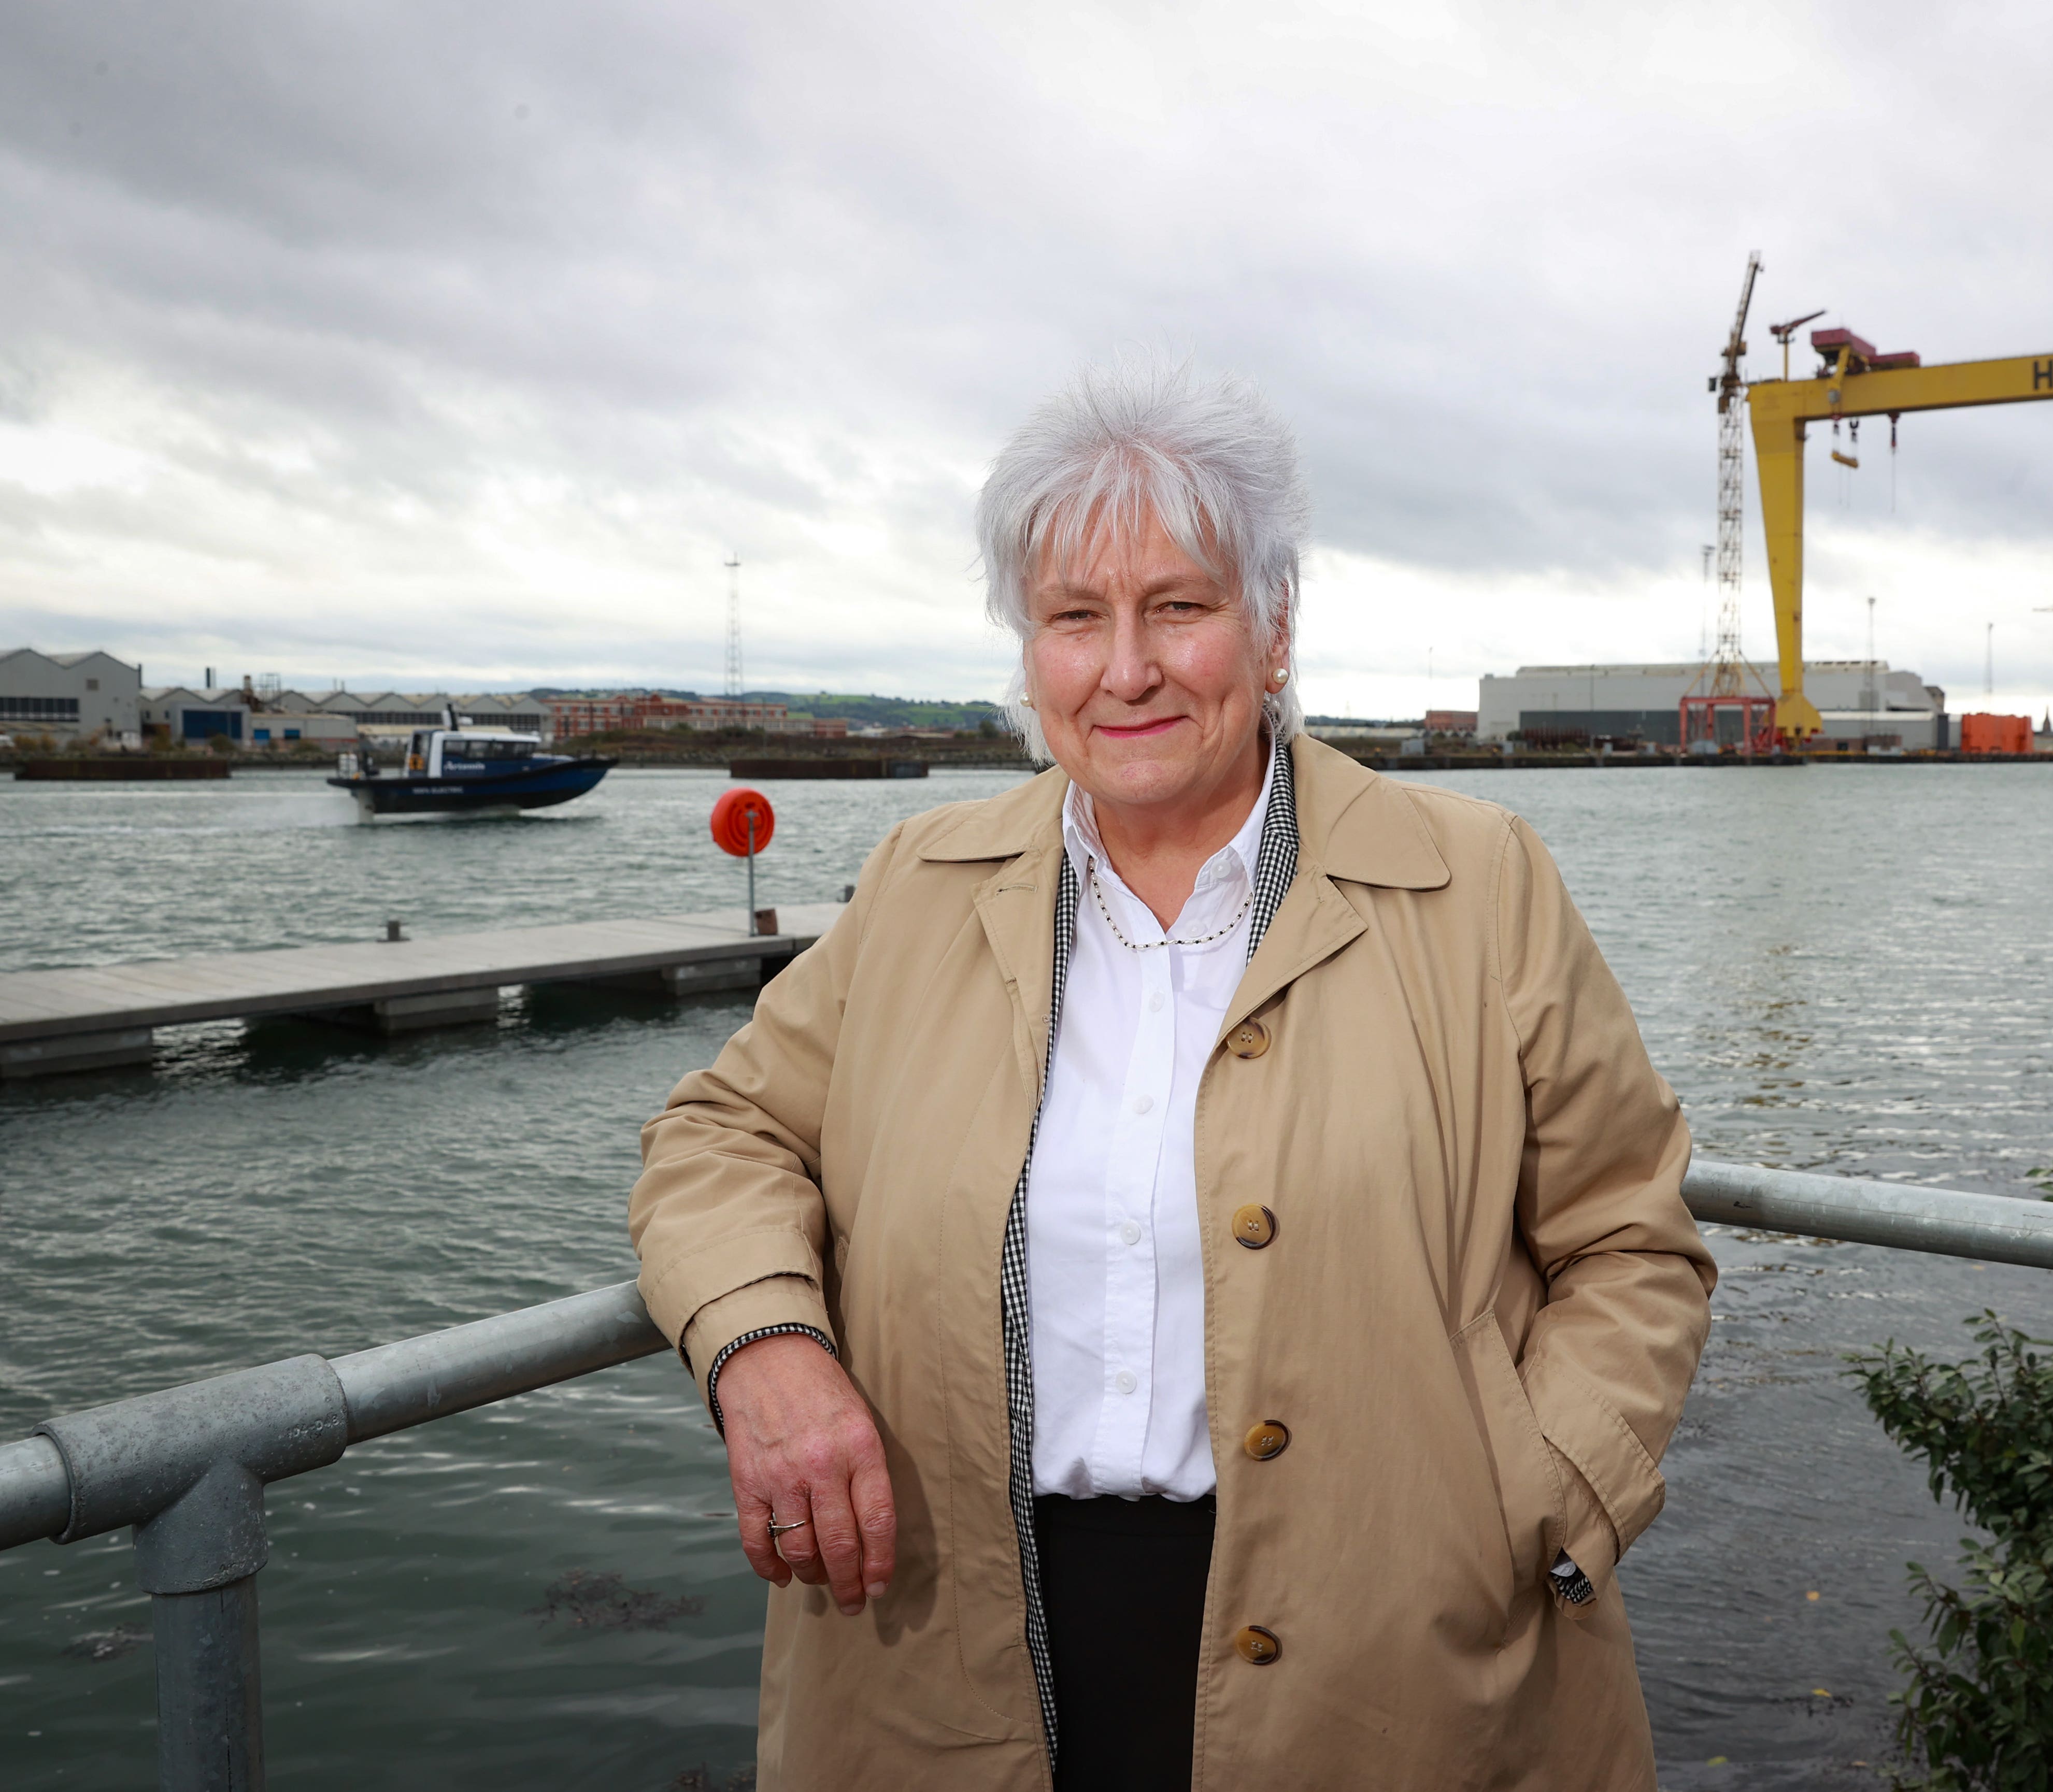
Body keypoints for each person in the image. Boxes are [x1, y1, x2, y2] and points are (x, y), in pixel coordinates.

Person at [627, 362, 1714, 1791]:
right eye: (1074, 617)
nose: (1122, 668)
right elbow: (724, 1133)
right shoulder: (918, 881)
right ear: (1031, 653)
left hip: (1393, 1648)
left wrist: (1531, 1504)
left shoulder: (1476, 882)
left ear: (1271, 633)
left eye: (1177, 607)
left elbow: (1630, 1242)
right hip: (954, 1626)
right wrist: (764, 1343)